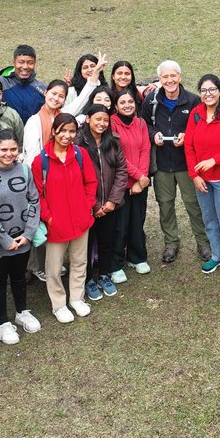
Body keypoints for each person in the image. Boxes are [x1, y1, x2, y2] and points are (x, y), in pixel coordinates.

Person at [0, 129, 43, 346]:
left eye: (13, 149)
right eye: (3, 149)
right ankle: (2, 322)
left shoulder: (24, 169)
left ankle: (22, 311)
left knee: (19, 277)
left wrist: (28, 234)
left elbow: (34, 201)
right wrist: (5, 239)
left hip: (22, 238)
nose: (9, 153)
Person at [31, 114, 98, 323]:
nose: (67, 135)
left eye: (71, 131)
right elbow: (37, 195)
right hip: (56, 225)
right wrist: (48, 217)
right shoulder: (40, 161)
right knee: (53, 267)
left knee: (80, 262)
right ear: (54, 131)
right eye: (63, 131)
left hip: (81, 220)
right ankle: (58, 304)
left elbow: (91, 182)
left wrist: (87, 206)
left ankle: (77, 298)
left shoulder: (80, 154)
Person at [143, 60, 209, 264]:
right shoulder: (151, 101)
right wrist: (153, 135)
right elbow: (143, 125)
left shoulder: (193, 101)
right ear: (160, 79)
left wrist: (187, 136)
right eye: (165, 77)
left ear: (180, 77)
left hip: (187, 164)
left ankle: (203, 243)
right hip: (162, 165)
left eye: (173, 76)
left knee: (194, 205)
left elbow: (203, 128)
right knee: (165, 205)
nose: (169, 80)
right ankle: (171, 243)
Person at [184, 74, 220, 275]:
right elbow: (189, 146)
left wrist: (213, 161)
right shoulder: (195, 114)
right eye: (203, 90)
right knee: (209, 220)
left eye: (212, 90)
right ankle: (218, 255)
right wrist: (194, 175)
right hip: (202, 180)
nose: (207, 94)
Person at [76, 105, 128, 301]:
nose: (101, 123)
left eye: (105, 120)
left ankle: (104, 275)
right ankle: (88, 279)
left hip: (110, 205)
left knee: (107, 241)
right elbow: (77, 177)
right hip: (88, 205)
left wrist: (113, 201)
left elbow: (122, 170)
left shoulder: (113, 141)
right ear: (88, 119)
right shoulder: (78, 142)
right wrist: (95, 204)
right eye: (97, 119)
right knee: (87, 245)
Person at [110, 89, 153, 277]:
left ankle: (137, 257)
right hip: (120, 183)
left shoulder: (141, 122)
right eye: (122, 102)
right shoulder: (112, 123)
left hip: (139, 183)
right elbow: (117, 155)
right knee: (120, 225)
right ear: (116, 106)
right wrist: (138, 175)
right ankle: (116, 264)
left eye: (130, 101)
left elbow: (145, 149)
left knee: (137, 220)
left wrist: (141, 180)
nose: (127, 105)